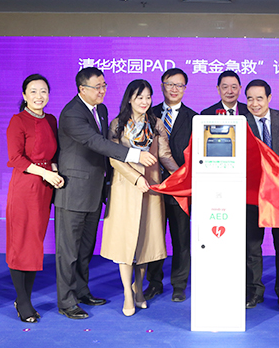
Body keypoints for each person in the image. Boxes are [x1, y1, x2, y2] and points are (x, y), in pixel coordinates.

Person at [54, 67, 149, 320]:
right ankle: (66, 302)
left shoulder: (102, 110)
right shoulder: (72, 113)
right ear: (82, 89)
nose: (102, 90)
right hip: (73, 191)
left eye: (104, 85)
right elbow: (96, 143)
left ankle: (82, 291)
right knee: (68, 251)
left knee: (85, 248)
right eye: (97, 87)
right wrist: (134, 155)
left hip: (95, 191)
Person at [100, 79, 179, 316]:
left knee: (146, 242)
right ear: (129, 99)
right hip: (125, 188)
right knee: (125, 244)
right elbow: (114, 158)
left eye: (148, 97)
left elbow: (165, 155)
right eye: (139, 97)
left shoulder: (156, 123)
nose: (144, 102)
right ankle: (127, 292)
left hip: (151, 189)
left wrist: (181, 176)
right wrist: (136, 178)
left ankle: (139, 288)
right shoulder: (117, 124)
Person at [6, 74, 64, 323]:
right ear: (24, 95)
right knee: (21, 243)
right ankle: (23, 301)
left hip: (45, 187)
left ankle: (24, 298)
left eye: (43, 91)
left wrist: (55, 172)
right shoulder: (18, 120)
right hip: (25, 186)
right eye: (33, 91)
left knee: (34, 244)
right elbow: (16, 158)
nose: (39, 96)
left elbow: (54, 153)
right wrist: (46, 174)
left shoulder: (51, 119)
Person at [244, 79, 279, 312]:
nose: (254, 103)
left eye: (259, 98)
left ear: (269, 98)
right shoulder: (241, 122)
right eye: (249, 98)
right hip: (251, 195)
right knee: (251, 247)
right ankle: (254, 292)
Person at [144, 68, 197, 303]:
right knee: (154, 235)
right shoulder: (148, 113)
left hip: (180, 188)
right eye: (170, 84)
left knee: (181, 238)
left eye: (179, 85)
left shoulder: (194, 118)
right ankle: (154, 283)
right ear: (162, 86)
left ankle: (179, 285)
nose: (174, 89)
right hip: (153, 186)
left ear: (185, 89)